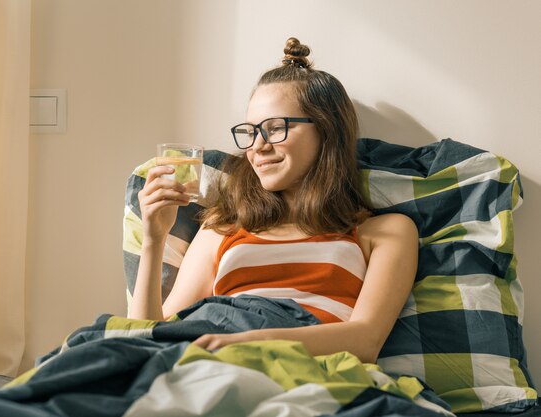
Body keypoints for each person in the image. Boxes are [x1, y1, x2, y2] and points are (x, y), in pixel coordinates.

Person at [130, 37, 418, 364]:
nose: (257, 147)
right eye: (250, 132)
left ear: (327, 132)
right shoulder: (219, 231)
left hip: (293, 368)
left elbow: (365, 341)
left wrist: (250, 343)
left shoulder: (384, 231)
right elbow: (148, 341)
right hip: (209, 361)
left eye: (275, 128)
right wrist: (154, 239)